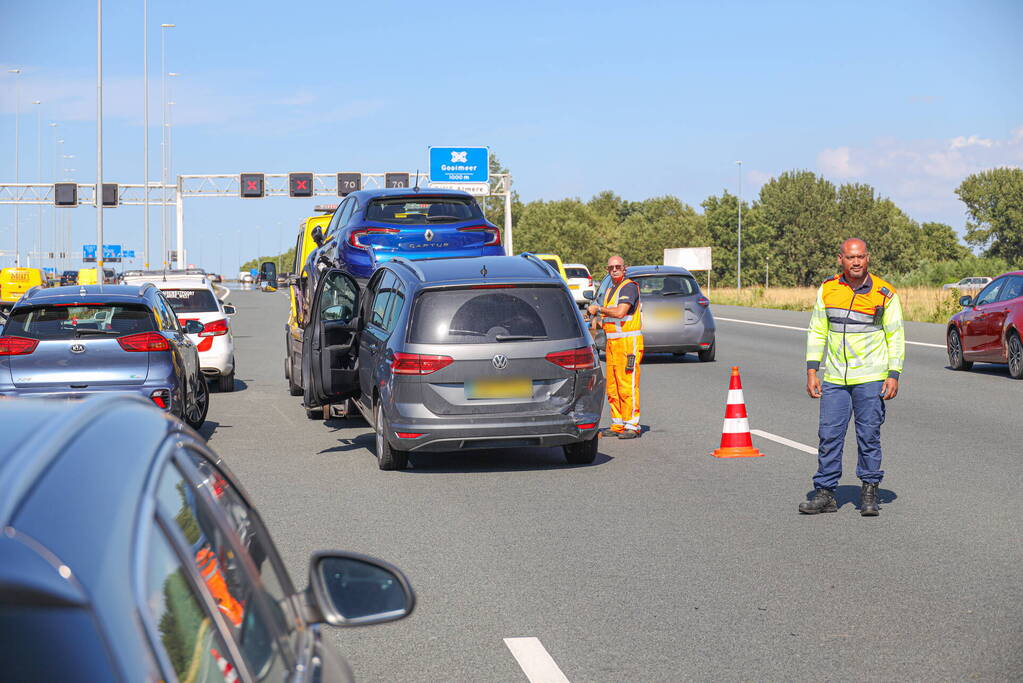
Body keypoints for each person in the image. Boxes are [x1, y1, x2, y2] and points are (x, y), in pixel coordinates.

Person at [800, 238, 905, 516]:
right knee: (829, 435)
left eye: (860, 257)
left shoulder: (885, 293)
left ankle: (869, 490)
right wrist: (813, 370)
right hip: (835, 377)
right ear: (841, 259)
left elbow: (895, 337)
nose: (856, 262)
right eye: (850, 257)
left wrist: (893, 374)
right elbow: (817, 331)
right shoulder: (828, 289)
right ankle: (826, 493)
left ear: (868, 258)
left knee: (868, 435)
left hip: (871, 376)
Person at [587, 255, 643, 439]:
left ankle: (632, 425)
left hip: (628, 343)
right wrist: (592, 320)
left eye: (618, 266)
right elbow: (609, 320)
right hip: (612, 344)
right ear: (607, 270)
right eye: (611, 268)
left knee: (627, 384)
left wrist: (599, 309)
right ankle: (618, 423)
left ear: (624, 268)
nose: (615, 270)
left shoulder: (628, 287)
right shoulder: (611, 289)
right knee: (613, 385)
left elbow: (620, 313)